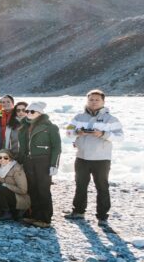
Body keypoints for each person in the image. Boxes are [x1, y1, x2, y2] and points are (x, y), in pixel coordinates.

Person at [65, 89, 123, 229]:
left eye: (97, 100)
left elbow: (120, 137)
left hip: (101, 159)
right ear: (87, 101)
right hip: (82, 157)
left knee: (102, 187)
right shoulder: (78, 117)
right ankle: (78, 211)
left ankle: (102, 216)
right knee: (80, 185)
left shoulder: (111, 119)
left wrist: (103, 134)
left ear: (103, 101)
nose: (94, 102)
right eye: (91, 99)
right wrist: (77, 132)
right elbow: (68, 132)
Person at [19, 102, 61, 228]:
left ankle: (45, 218)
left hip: (43, 161)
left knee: (43, 189)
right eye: (27, 111)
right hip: (29, 161)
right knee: (32, 188)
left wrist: (54, 164)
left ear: (40, 113)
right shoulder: (24, 126)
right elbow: (23, 147)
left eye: (32, 111)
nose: (28, 114)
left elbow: (57, 147)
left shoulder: (50, 127)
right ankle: (34, 215)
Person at [0, 149, 29, 221]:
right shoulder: (0, 168)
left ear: (10, 158)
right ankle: (3, 211)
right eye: (0, 157)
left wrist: (7, 186)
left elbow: (23, 190)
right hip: (10, 195)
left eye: (5, 158)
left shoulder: (16, 169)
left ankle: (7, 213)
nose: (2, 159)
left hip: (20, 198)